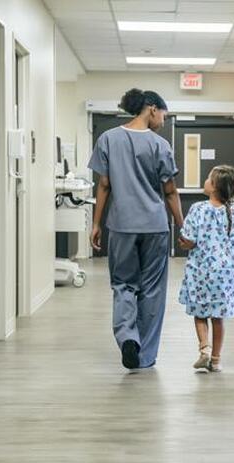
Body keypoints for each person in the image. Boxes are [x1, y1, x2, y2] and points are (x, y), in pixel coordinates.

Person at [89, 88, 184, 370]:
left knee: (123, 285)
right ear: (152, 109)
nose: (163, 122)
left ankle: (127, 336)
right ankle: (144, 356)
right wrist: (182, 226)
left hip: (121, 226)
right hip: (155, 227)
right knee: (152, 290)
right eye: (163, 115)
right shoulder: (160, 146)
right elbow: (170, 191)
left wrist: (95, 224)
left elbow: (104, 185)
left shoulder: (107, 139)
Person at [178, 165, 234, 372]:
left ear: (214, 186)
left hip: (201, 270)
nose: (205, 180)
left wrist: (184, 244)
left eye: (208, 178)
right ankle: (216, 361)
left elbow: (189, 239)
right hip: (225, 273)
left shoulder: (198, 209)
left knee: (200, 312)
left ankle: (204, 348)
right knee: (218, 317)